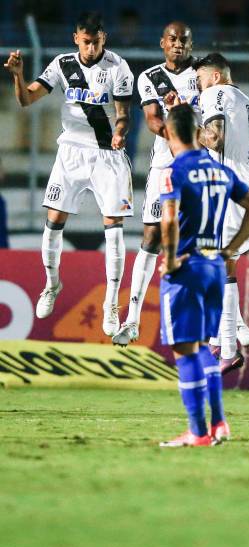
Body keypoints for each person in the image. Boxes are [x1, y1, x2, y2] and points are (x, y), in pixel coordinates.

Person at [4, 11, 133, 335]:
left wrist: (119, 132)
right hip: (71, 152)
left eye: (97, 42)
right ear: (76, 39)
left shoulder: (118, 67)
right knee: (54, 222)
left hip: (107, 154)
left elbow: (123, 114)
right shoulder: (62, 64)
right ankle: (52, 283)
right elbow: (26, 99)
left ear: (104, 39)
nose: (91, 48)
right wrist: (18, 76)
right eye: (86, 42)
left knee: (113, 228)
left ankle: (111, 303)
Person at [158, 103, 249, 447]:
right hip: (215, 268)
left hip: (186, 269)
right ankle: (219, 424)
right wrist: (230, 248)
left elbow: (170, 219)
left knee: (184, 350)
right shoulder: (218, 169)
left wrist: (172, 259)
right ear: (197, 132)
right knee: (205, 347)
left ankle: (197, 431)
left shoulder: (175, 169)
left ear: (170, 133)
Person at [112, 21, 200, 347]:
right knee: (151, 237)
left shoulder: (203, 75)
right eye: (173, 39)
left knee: (203, 241)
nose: (178, 44)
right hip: (164, 165)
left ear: (191, 44)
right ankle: (132, 320)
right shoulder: (150, 77)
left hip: (198, 165)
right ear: (163, 42)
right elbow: (152, 120)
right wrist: (180, 135)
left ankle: (226, 326)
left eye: (184, 40)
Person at [195, 53, 249, 374]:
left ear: (213, 77)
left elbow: (214, 138)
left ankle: (227, 346)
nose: (199, 87)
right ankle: (227, 332)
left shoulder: (214, 94)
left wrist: (182, 125)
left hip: (233, 188)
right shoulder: (244, 99)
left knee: (216, 265)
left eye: (200, 80)